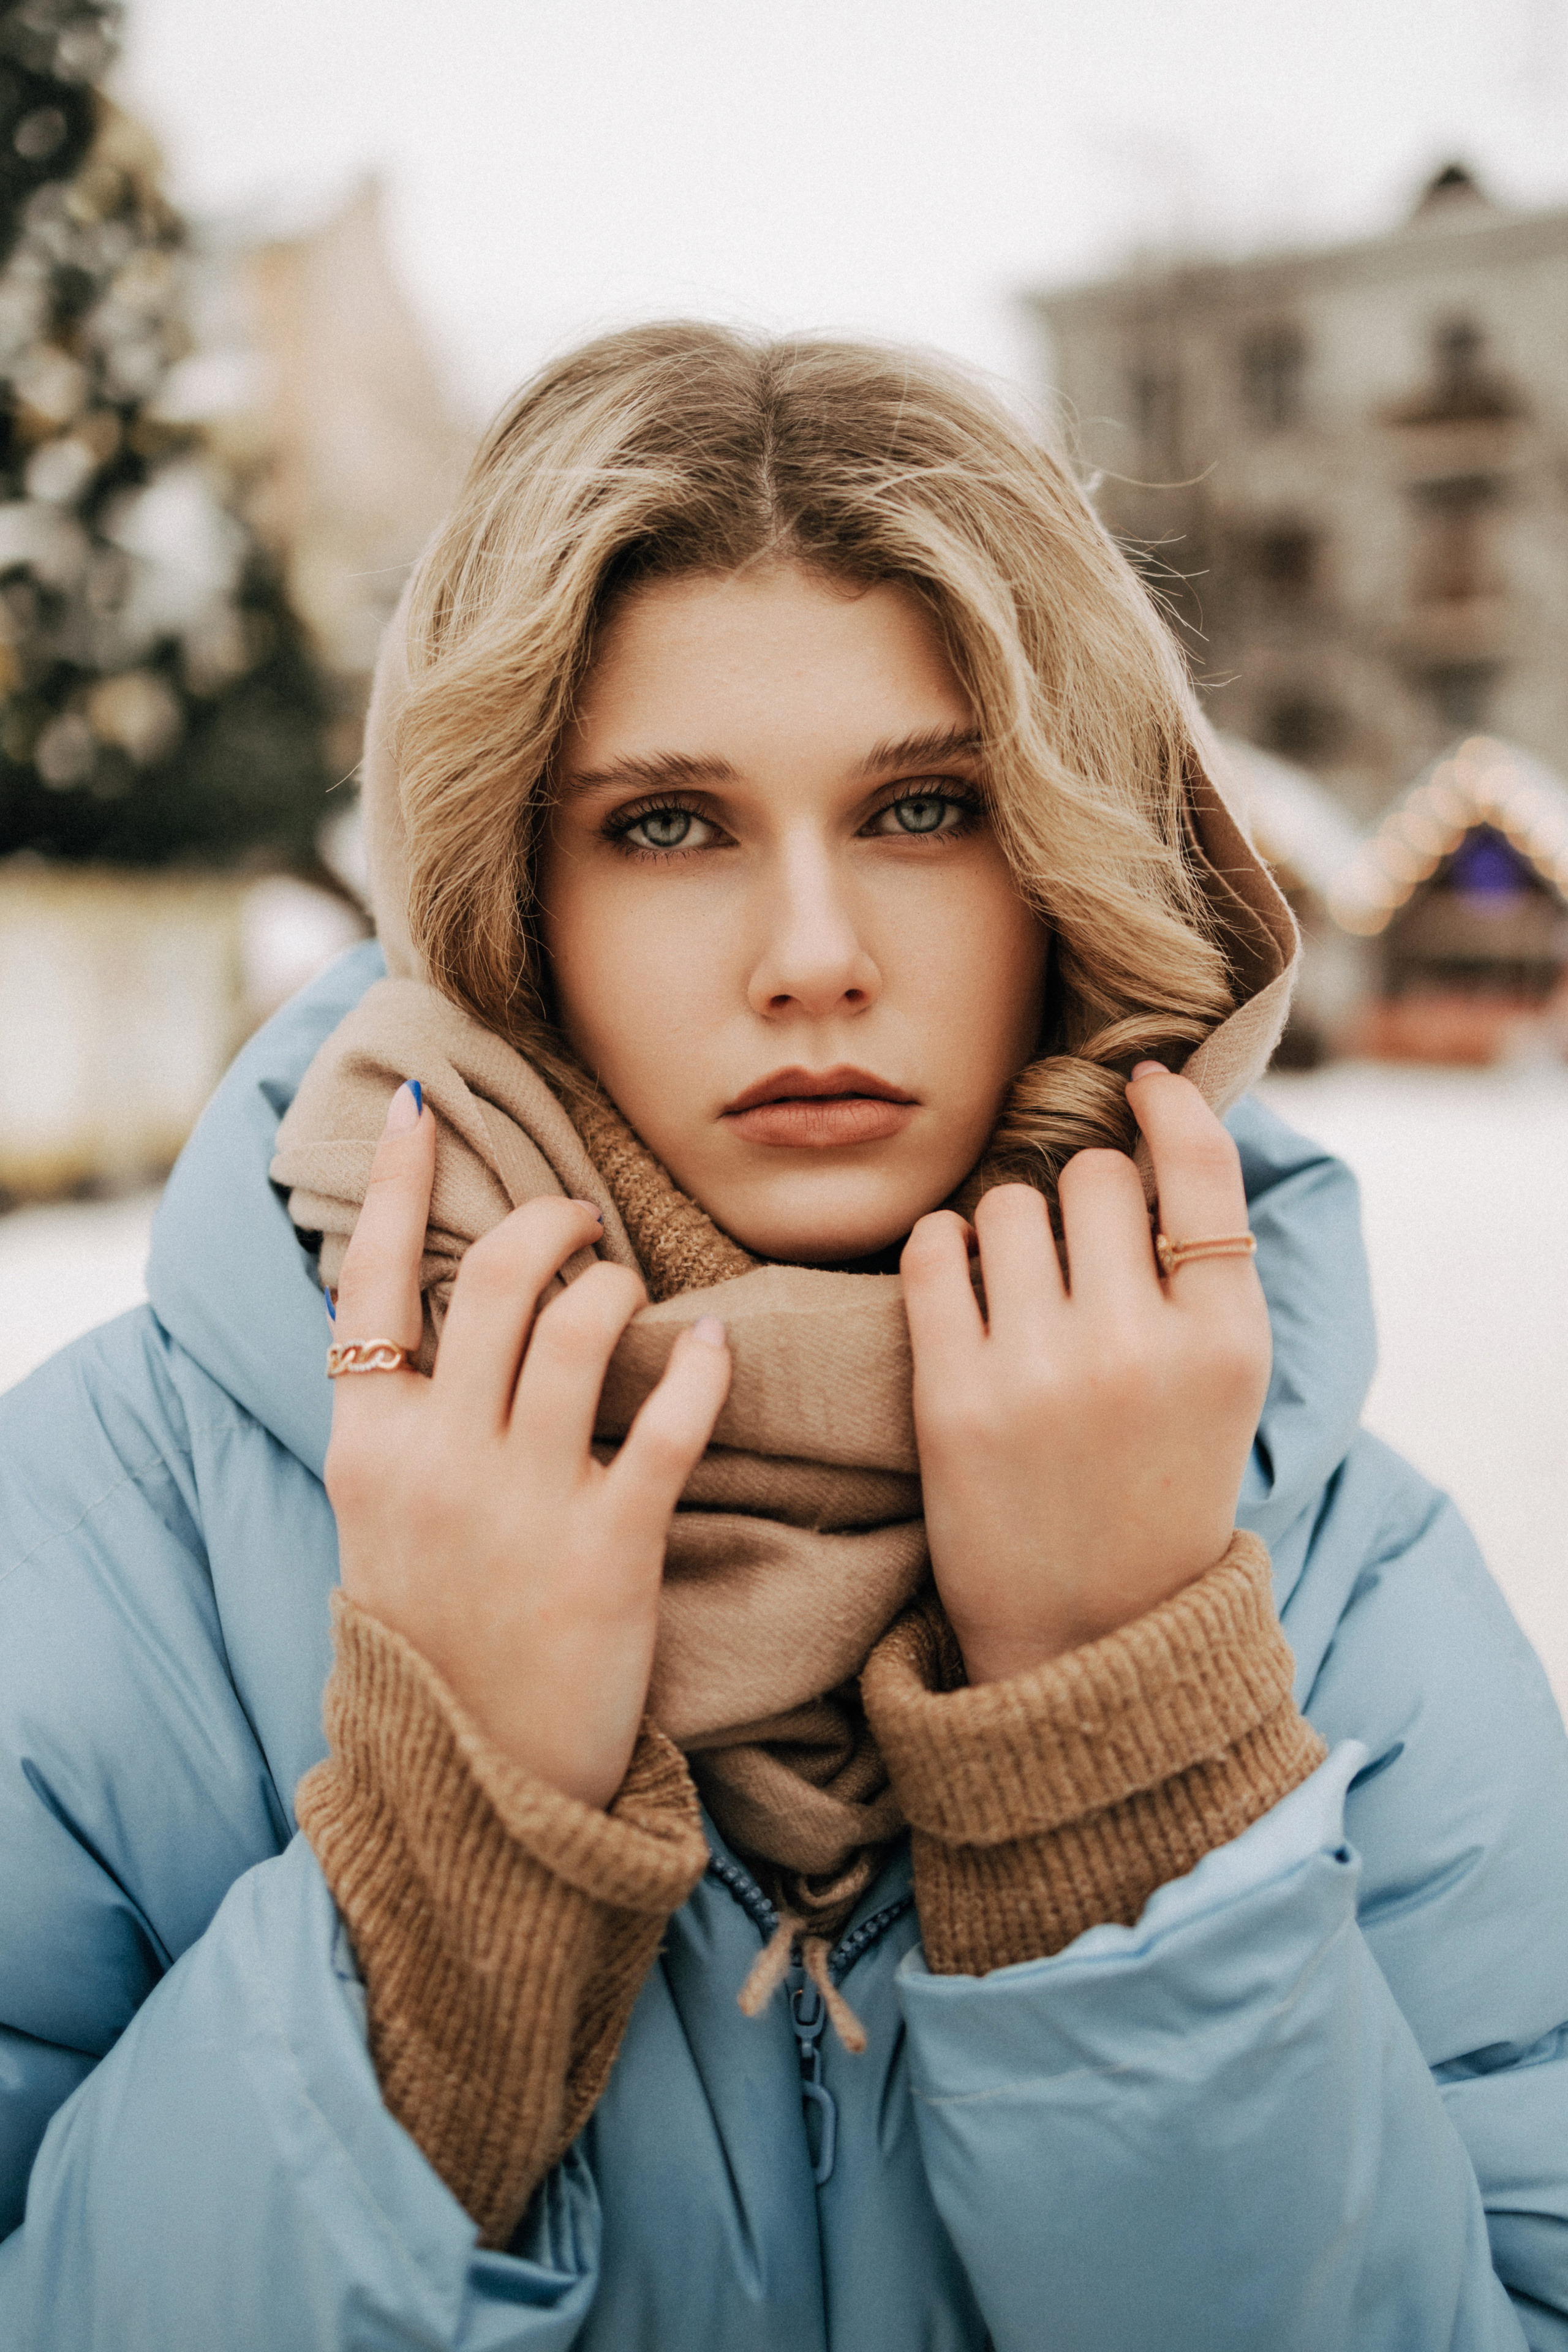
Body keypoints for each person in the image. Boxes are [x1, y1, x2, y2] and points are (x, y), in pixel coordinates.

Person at [2, 323, 1566, 2352]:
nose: (813, 958)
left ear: (1069, 863)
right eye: (665, 825)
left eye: (926, 809)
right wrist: (443, 1874)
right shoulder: (112, 1538)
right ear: (507, 891)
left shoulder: (1335, 1564)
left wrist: (1131, 1758)